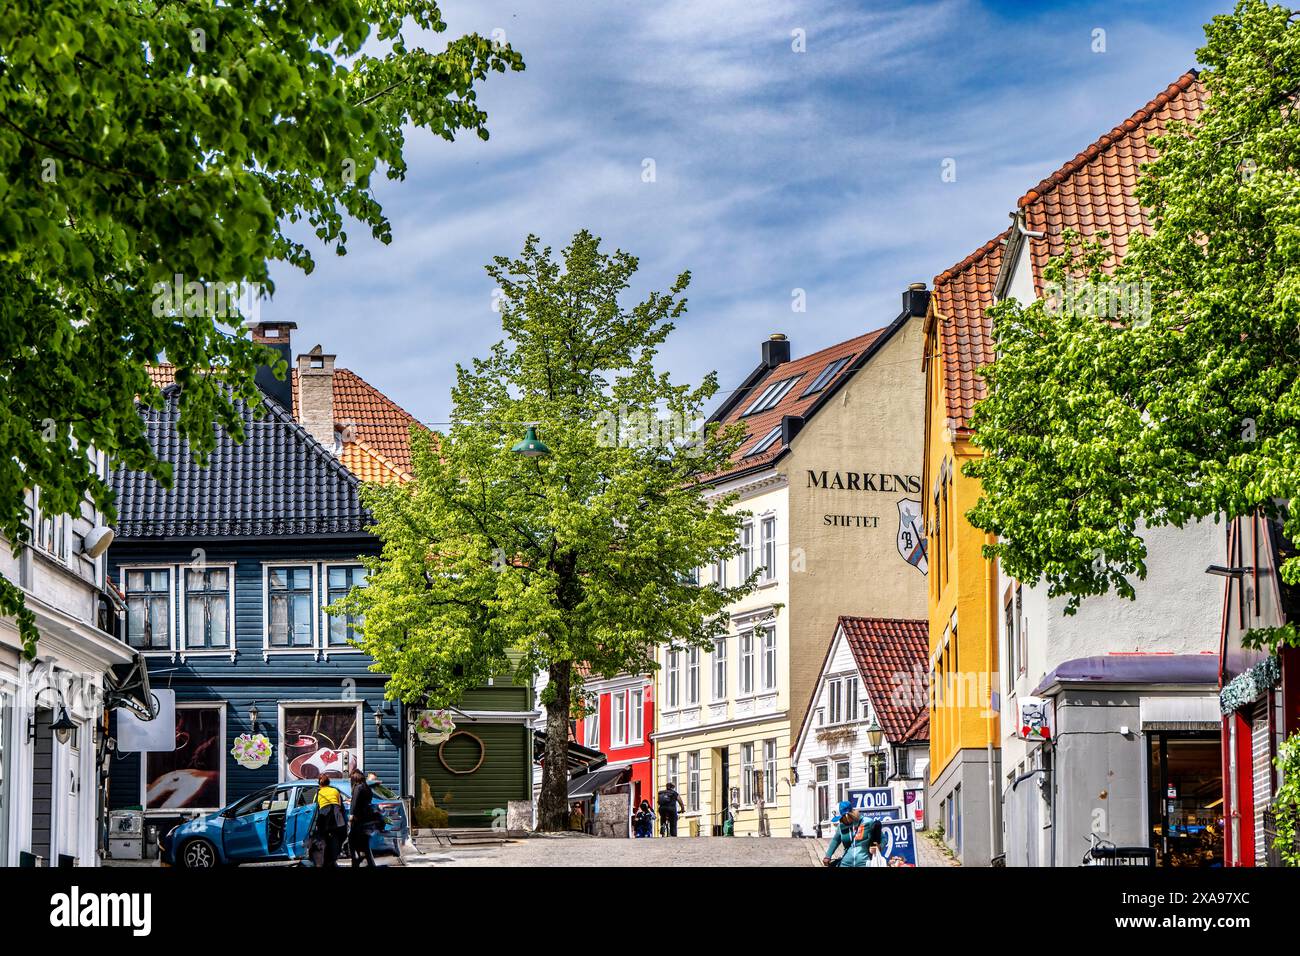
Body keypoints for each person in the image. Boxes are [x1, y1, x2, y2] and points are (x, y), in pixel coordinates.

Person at [822, 801, 883, 868]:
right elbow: (835, 840)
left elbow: (883, 838)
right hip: (845, 863)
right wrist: (828, 856)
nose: (840, 821)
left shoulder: (867, 822)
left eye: (841, 818)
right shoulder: (841, 826)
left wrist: (879, 847)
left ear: (847, 815)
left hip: (864, 863)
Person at [314, 773, 347, 868]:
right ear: (329, 782)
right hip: (337, 816)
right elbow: (340, 805)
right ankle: (333, 859)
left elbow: (315, 807)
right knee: (338, 837)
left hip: (324, 816)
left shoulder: (318, 793)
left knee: (323, 839)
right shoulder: (335, 791)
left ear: (319, 784)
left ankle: (325, 860)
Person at [347, 769, 379, 867]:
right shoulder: (366, 787)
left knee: (353, 843)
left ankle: (356, 863)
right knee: (364, 846)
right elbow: (364, 801)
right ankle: (369, 863)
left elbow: (355, 803)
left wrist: (351, 816)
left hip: (358, 821)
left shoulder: (358, 787)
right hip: (365, 819)